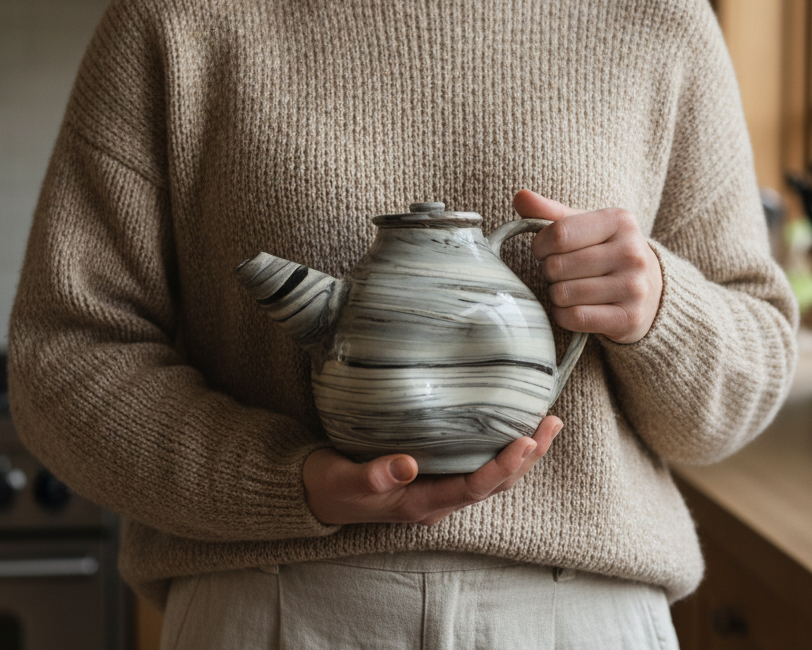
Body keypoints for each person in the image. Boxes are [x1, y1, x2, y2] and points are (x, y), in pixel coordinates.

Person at [8, 0, 798, 647]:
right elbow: (64, 356)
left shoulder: (659, 20)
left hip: (578, 618)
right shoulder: (177, 19)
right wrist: (289, 482)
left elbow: (746, 375)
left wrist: (661, 304)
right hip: (274, 612)